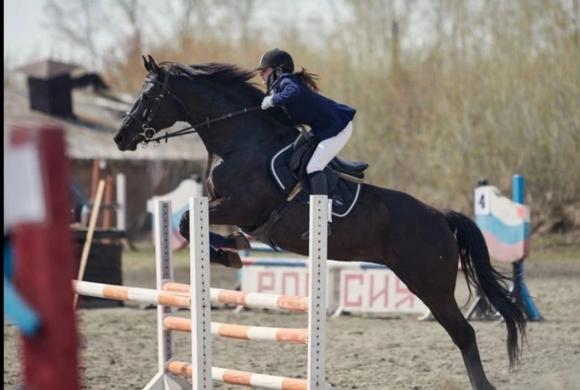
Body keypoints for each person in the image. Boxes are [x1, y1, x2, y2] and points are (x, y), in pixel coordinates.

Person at [257, 48, 356, 237]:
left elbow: (292, 92)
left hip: (338, 128)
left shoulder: (287, 81)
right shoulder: (281, 86)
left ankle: (322, 222)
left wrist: (272, 101)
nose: (261, 74)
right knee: (304, 163)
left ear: (278, 70)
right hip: (324, 129)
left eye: (265, 70)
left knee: (313, 167)